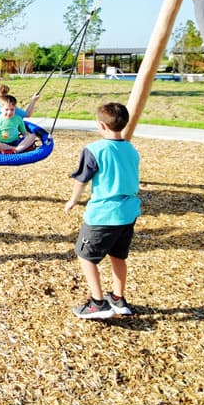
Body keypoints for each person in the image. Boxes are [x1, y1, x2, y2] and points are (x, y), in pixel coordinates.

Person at [63, 102, 141, 319]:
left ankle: (98, 303)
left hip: (103, 214)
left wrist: (73, 200)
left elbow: (82, 179)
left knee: (85, 256)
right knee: (118, 256)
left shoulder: (95, 150)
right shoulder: (131, 150)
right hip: (128, 213)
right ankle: (118, 298)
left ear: (101, 125)